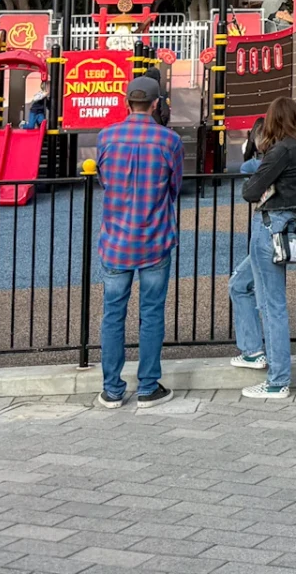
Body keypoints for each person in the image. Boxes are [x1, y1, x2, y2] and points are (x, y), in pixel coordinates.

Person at [95, 74, 184, 409]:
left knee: (112, 314)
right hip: (155, 237)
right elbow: (174, 187)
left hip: (116, 238)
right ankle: (147, 385)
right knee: (151, 312)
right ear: (156, 103)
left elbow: (105, 180)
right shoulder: (168, 141)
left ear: (126, 102)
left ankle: (112, 388)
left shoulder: (107, 137)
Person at [228, 96, 296, 400]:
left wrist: (257, 169)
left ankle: (278, 379)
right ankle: (253, 350)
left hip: (269, 227)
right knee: (239, 285)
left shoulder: (281, 150)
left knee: (272, 305)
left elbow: (250, 191)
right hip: (291, 225)